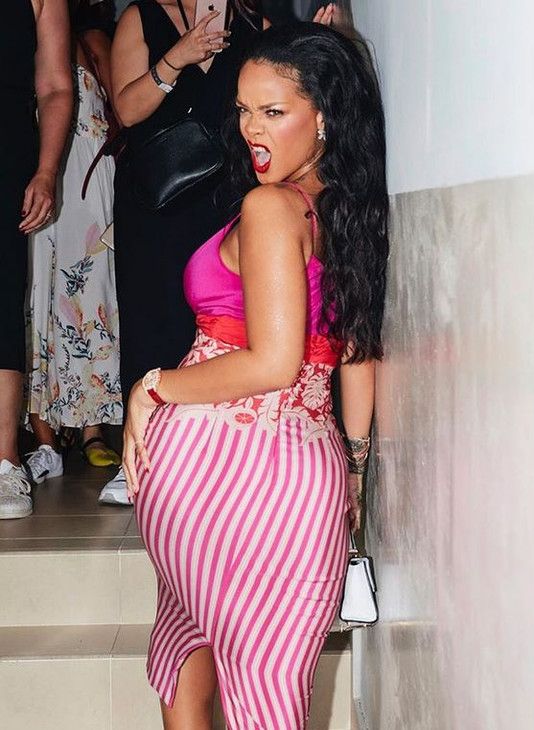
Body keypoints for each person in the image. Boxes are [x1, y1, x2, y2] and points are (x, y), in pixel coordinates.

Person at [121, 23, 387, 728]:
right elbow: (356, 354)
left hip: (222, 468)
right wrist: (354, 470)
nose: (249, 129)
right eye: (243, 109)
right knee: (252, 678)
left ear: (325, 116)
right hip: (303, 469)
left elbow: (271, 363)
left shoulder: (271, 207)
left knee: (201, 646)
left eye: (273, 111)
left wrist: (152, 387)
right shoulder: (350, 210)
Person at [100, 0, 267, 504]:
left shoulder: (250, 21)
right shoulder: (142, 16)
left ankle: (218, 451)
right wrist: (177, 57)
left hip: (229, 198)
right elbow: (127, 110)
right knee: (154, 317)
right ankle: (142, 454)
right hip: (157, 202)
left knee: (225, 320)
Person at [24, 0, 124, 486]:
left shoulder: (93, 41)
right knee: (34, 297)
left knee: (88, 295)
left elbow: (119, 109)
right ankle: (44, 436)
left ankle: (92, 429)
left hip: (86, 180)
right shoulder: (25, 33)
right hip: (34, 172)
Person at [0, 0, 74, 520]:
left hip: (6, 152)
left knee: (2, 298)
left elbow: (54, 86)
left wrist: (46, 171)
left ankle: (4, 462)